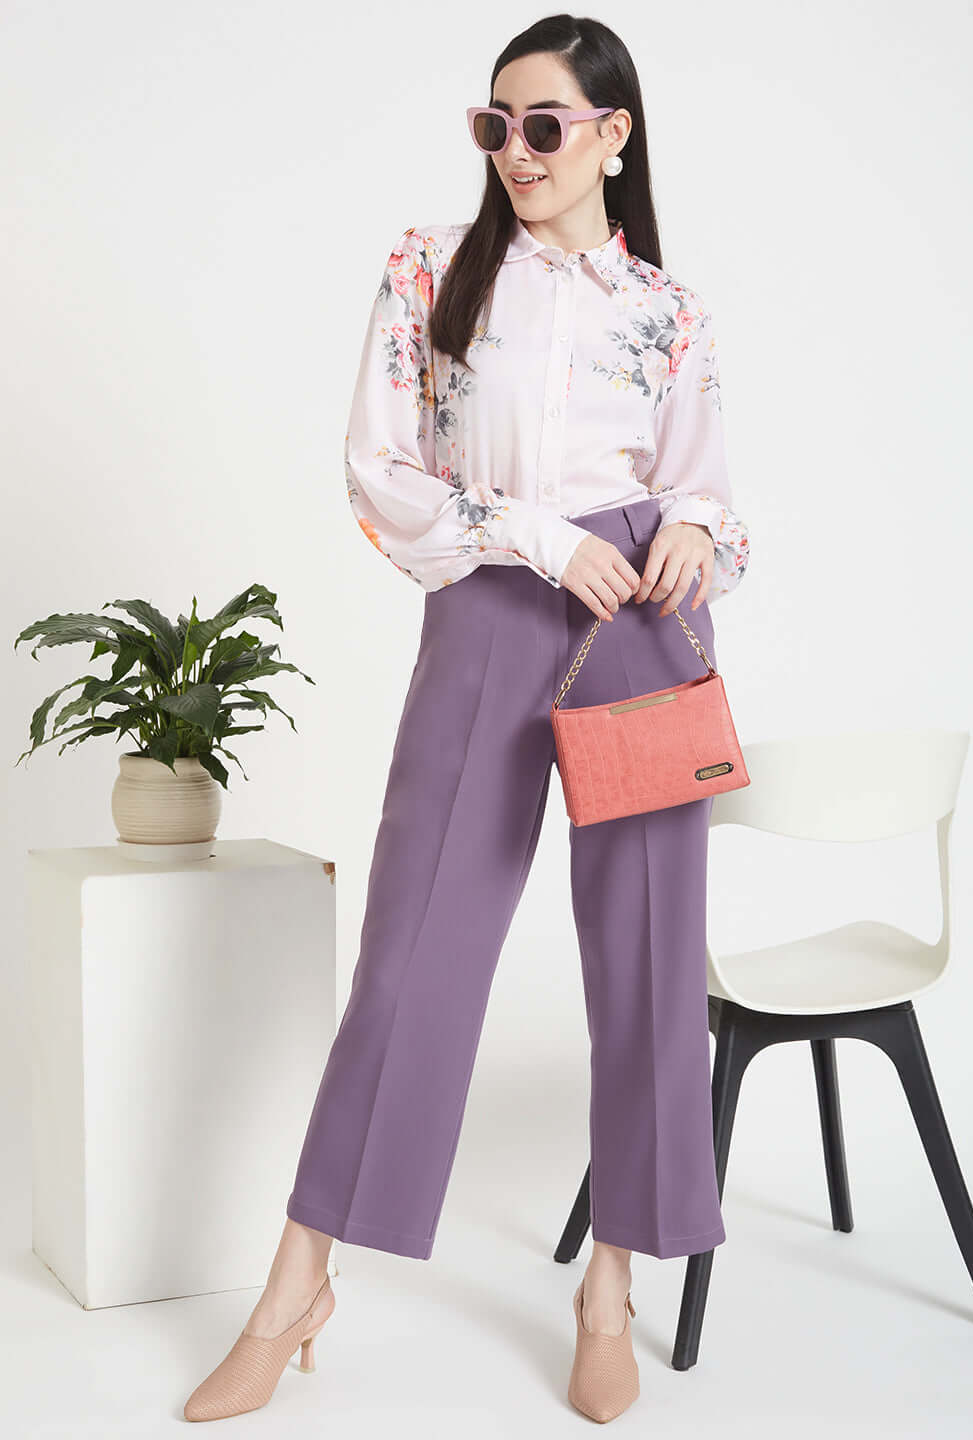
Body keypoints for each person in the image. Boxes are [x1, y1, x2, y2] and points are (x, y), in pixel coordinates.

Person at [183, 12, 749, 1426]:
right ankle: (295, 1287)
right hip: (497, 607)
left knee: (645, 959)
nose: (515, 150)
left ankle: (609, 1288)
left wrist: (692, 528)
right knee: (412, 957)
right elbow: (378, 471)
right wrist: (541, 539)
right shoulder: (430, 268)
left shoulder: (667, 310)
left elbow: (710, 491)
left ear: (614, 136)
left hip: (638, 624)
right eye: (495, 124)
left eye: (543, 125)